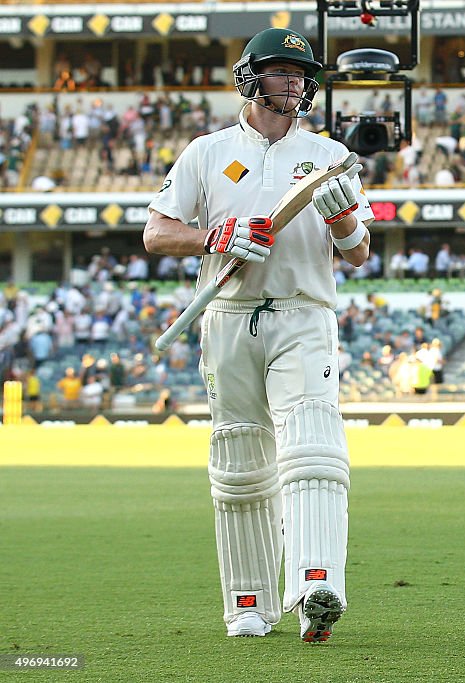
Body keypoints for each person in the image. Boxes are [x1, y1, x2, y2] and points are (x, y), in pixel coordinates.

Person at [143, 28, 374, 643]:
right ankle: (249, 604)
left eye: (301, 74)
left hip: (303, 313)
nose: (295, 83)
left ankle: (316, 582)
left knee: (313, 445)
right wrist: (214, 237)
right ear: (250, 77)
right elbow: (158, 234)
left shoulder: (328, 155)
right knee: (241, 462)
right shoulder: (208, 151)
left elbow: (357, 253)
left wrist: (343, 218)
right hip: (226, 315)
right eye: (281, 72)